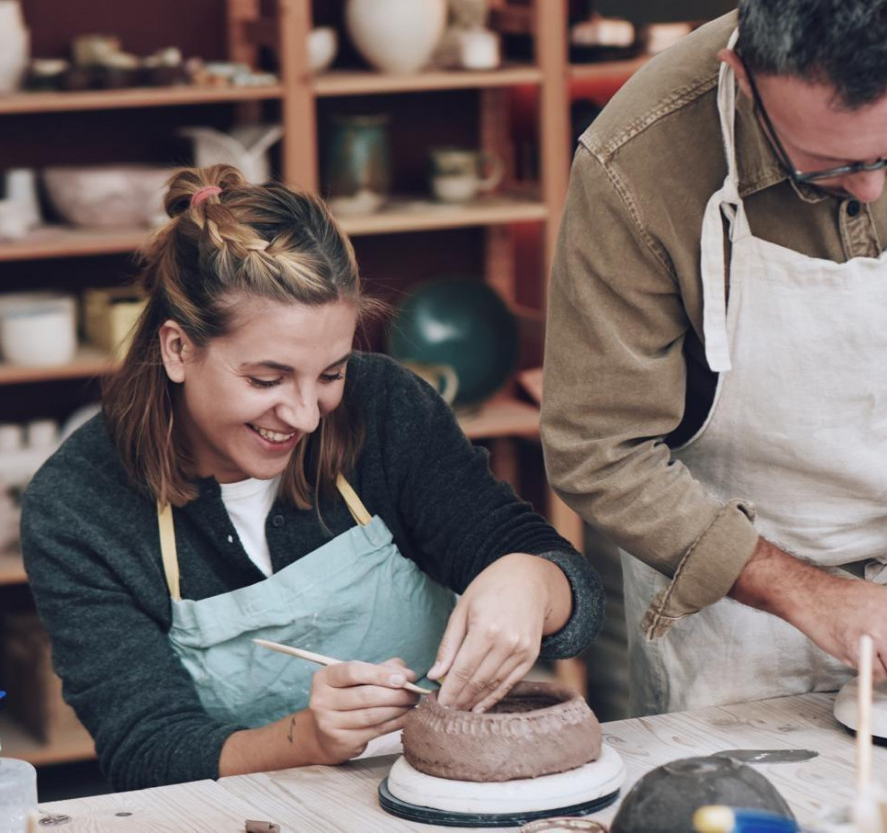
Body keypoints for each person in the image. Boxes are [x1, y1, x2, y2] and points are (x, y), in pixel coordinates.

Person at [21, 166, 603, 791]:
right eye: (266, 380)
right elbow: (145, 753)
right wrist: (306, 740)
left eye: (330, 373)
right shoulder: (79, 506)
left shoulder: (383, 407)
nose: (302, 415)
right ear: (177, 349)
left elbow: (575, 598)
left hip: (442, 791)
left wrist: (531, 580)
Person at [541, 0, 887, 716]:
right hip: (738, 609)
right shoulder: (636, 161)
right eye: (831, 164)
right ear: (742, 78)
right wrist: (804, 593)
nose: (872, 187)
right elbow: (596, 448)